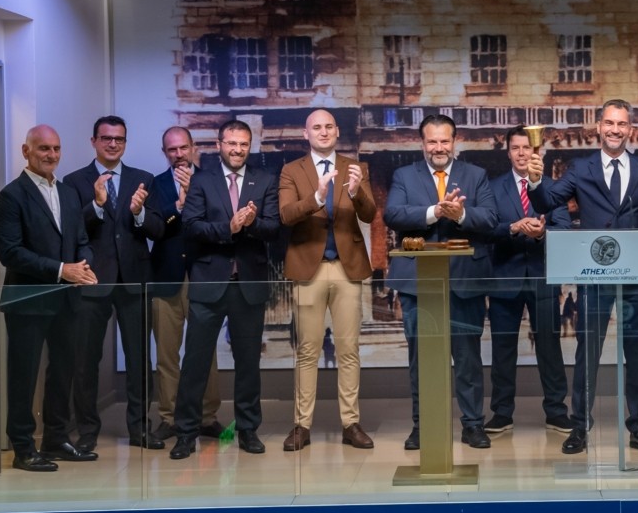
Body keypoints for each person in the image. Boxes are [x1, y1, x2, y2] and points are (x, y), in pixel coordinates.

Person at [527, 99, 638, 455]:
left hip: (637, 276)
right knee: (587, 352)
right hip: (593, 275)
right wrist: (535, 180)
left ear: (630, 129)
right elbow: (547, 201)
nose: (615, 130)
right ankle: (579, 427)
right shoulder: (581, 168)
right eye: (609, 123)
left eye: (621, 124)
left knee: (637, 353)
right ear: (599, 127)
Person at [384, 114, 499, 450]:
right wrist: (435, 212)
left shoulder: (475, 175)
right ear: (422, 143)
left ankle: (473, 425)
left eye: (444, 141)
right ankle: (424, 426)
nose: (438, 147)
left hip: (464, 281)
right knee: (422, 360)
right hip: (419, 284)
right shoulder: (404, 175)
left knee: (467, 360)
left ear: (454, 142)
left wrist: (460, 214)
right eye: (432, 141)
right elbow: (393, 214)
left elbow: (490, 218)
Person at [169, 120, 280, 460]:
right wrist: (227, 228)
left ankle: (248, 429)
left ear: (250, 146)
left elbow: (274, 227)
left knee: (248, 363)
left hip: (248, 285)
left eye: (243, 144)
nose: (237, 149)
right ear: (219, 144)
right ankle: (185, 433)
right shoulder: (202, 180)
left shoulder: (265, 180)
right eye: (231, 143)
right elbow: (191, 227)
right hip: (209, 283)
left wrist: (252, 224)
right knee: (196, 362)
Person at [0, 125, 98, 472]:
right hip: (28, 301)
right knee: (23, 376)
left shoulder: (68, 193)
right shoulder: (11, 196)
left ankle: (56, 438)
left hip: (67, 300)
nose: (51, 155)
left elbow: (81, 240)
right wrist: (62, 270)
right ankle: (23, 447)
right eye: (43, 149)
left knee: (63, 372)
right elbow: (10, 253)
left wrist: (83, 266)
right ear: (26, 151)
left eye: (56, 149)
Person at [63, 116, 165, 451]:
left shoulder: (143, 179)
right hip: (91, 279)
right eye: (106, 138)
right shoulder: (74, 181)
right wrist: (96, 205)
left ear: (125, 143)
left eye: (119, 139)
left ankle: (140, 429)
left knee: (139, 360)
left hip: (134, 280)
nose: (112, 144)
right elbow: (71, 229)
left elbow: (157, 230)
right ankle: (87, 431)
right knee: (85, 360)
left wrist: (138, 212)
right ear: (93, 141)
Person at [278, 109, 377, 451]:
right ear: (305, 134)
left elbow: (369, 214)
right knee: (308, 350)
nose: (323, 132)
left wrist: (356, 192)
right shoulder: (292, 170)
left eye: (329, 127)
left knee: (349, 349)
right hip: (309, 267)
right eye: (316, 127)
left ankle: (351, 423)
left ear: (337, 132)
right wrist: (318, 197)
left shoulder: (355, 167)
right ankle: (301, 425)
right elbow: (286, 215)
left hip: (347, 268)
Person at [484, 126, 574, 435]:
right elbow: (486, 229)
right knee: (503, 350)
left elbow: (564, 229)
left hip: (542, 276)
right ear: (508, 153)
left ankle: (556, 411)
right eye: (516, 148)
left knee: (550, 348)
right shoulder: (492, 187)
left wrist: (542, 233)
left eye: (527, 148)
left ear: (538, 153)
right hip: (504, 278)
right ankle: (501, 413)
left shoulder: (553, 188)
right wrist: (513, 227)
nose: (522, 153)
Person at [146, 127, 223, 443]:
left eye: (182, 148)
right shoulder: (155, 184)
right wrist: (177, 208)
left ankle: (207, 416)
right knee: (166, 353)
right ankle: (169, 417)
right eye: (171, 150)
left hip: (204, 275)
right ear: (164, 152)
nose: (178, 154)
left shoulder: (212, 180)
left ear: (193, 148)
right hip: (166, 277)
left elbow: (220, 223)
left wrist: (193, 196)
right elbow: (152, 228)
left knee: (206, 352)